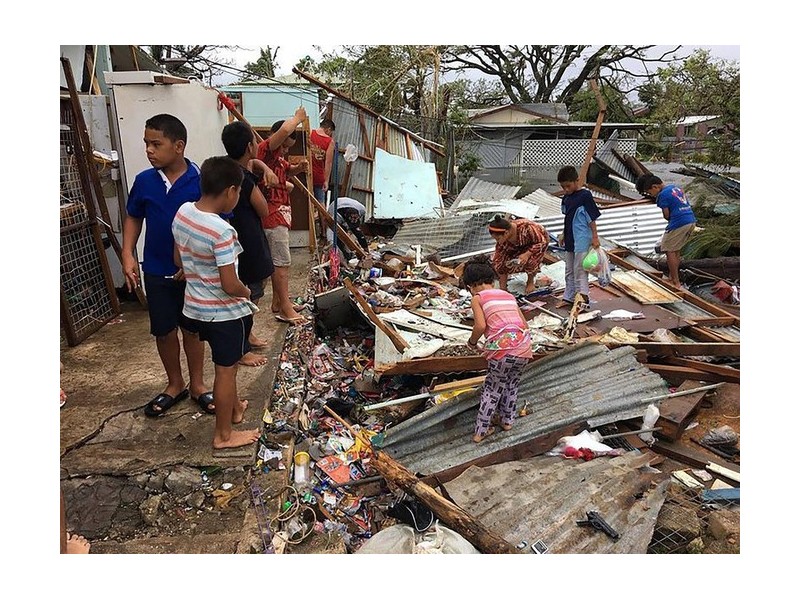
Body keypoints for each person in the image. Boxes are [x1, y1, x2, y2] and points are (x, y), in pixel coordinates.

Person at [122, 113, 214, 417]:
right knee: (163, 330)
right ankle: (175, 384)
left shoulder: (200, 181)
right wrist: (127, 253)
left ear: (178, 146)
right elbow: (134, 215)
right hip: (156, 269)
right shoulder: (145, 181)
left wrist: (197, 262)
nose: (148, 150)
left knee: (192, 330)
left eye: (155, 144)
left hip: (192, 273)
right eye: (146, 143)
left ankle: (198, 385)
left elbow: (215, 224)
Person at [171, 156, 261, 450]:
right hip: (222, 315)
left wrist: (196, 270)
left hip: (193, 309)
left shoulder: (183, 212)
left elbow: (178, 259)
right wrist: (246, 291)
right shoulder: (223, 232)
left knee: (227, 367)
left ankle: (234, 409)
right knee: (226, 370)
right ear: (231, 191)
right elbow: (229, 284)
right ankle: (223, 435)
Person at [221, 120, 277, 368]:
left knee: (244, 292)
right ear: (249, 147)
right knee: (250, 294)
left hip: (232, 243)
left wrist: (260, 165)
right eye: (254, 142)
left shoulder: (223, 170)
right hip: (249, 241)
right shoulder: (244, 179)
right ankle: (242, 347)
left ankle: (248, 336)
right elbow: (263, 209)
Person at [464, 256, 533, 443]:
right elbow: (525, 325)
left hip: (502, 351)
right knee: (512, 384)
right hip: (524, 348)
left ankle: (480, 432)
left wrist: (471, 343)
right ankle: (507, 421)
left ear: (470, 285)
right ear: (492, 280)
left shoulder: (478, 298)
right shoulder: (508, 295)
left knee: (492, 389)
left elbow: (479, 326)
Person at [256, 107, 310, 325]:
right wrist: (298, 118)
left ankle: (279, 302)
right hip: (271, 215)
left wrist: (300, 167)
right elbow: (285, 130)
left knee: (278, 262)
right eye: (285, 145)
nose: (285, 151)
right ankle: (286, 308)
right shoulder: (266, 151)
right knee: (281, 264)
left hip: (280, 214)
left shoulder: (278, 159)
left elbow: (289, 171)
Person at [636, 174, 697, 288]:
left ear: (655, 187)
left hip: (679, 222)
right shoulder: (675, 188)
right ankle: (672, 277)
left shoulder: (662, 195)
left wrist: (669, 219)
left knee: (668, 250)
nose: (651, 195)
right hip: (691, 220)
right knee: (676, 250)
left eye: (650, 193)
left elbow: (666, 214)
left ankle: (675, 282)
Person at [557, 165, 601, 307]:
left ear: (577, 181)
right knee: (569, 269)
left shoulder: (585, 196)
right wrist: (563, 233)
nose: (566, 189)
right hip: (570, 237)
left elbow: (591, 219)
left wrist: (595, 237)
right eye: (563, 187)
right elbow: (567, 218)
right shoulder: (566, 198)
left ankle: (582, 298)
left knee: (580, 269)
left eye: (568, 186)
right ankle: (568, 298)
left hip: (582, 238)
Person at [487, 214, 549, 295]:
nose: (498, 241)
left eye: (498, 239)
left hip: (536, 244)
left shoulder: (526, 228)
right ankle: (503, 287)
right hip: (516, 247)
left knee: (531, 261)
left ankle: (530, 282)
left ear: (506, 233)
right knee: (499, 261)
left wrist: (527, 254)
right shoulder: (503, 240)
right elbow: (498, 259)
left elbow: (541, 242)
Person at [326, 196, 369, 260]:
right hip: (335, 205)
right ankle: (342, 250)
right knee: (339, 234)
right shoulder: (337, 216)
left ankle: (347, 251)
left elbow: (358, 232)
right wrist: (331, 243)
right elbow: (330, 229)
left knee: (355, 230)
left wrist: (366, 250)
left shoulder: (362, 210)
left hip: (350, 204)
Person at [310, 118, 336, 205]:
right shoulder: (329, 141)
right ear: (328, 129)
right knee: (320, 203)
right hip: (318, 176)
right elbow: (328, 163)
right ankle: (323, 218)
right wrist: (326, 181)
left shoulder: (309, 133)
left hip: (305, 173)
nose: (330, 135)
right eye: (331, 132)